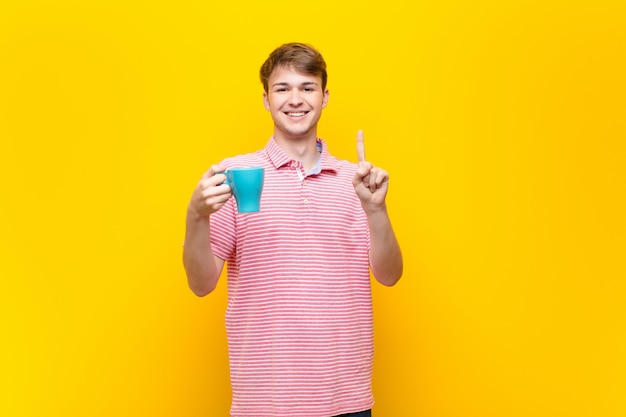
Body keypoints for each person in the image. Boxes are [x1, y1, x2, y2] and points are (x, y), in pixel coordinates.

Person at [183, 42, 403, 417]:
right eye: (282, 89)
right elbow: (201, 284)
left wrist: (377, 210)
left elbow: (390, 275)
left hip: (346, 397)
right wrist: (196, 215)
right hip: (264, 401)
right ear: (266, 100)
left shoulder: (357, 180)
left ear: (324, 96)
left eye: (307, 87)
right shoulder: (235, 175)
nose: (295, 99)